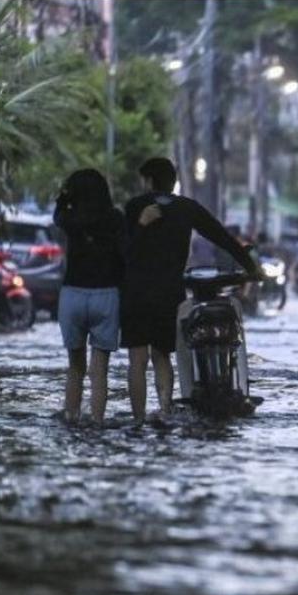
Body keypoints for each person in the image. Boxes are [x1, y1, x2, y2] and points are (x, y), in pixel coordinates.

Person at [121, 157, 260, 427]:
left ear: (148, 181)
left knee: (137, 359)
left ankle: (137, 419)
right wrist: (250, 265)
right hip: (170, 294)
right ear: (173, 182)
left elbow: (125, 249)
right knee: (162, 354)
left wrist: (140, 224)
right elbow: (220, 235)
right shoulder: (187, 208)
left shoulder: (135, 206)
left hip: (135, 292)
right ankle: (164, 411)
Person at [53, 169, 125, 425]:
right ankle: (96, 420)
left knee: (75, 368)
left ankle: (71, 415)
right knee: (99, 371)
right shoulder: (115, 218)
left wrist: (63, 198)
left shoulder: (71, 218)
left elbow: (57, 216)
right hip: (106, 295)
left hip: (72, 294)